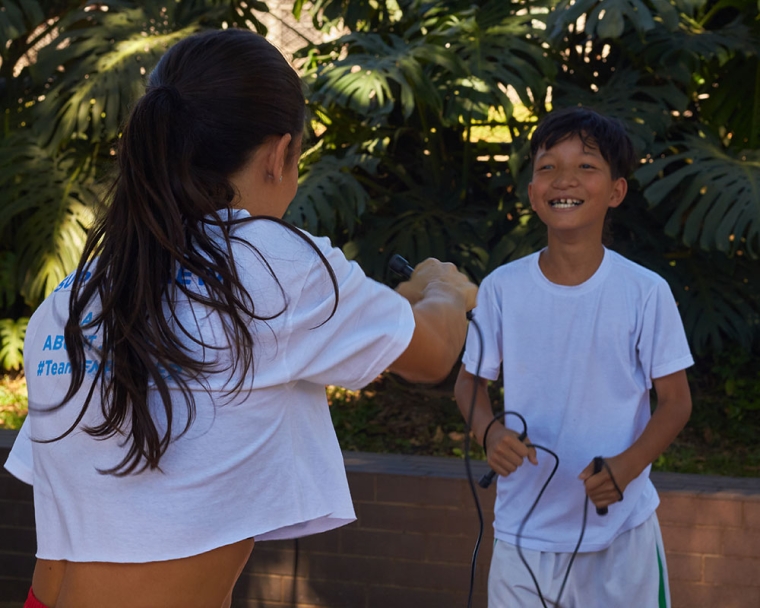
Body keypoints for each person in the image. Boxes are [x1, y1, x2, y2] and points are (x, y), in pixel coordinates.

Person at [3, 29, 477, 608]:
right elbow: (431, 353)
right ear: (280, 155)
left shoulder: (82, 292)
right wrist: (443, 288)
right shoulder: (271, 263)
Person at [454, 107, 693, 607]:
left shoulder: (645, 292)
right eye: (547, 167)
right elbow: (468, 384)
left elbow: (675, 402)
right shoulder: (501, 290)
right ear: (532, 195)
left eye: (586, 165)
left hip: (620, 534)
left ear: (616, 191)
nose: (564, 179)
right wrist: (490, 432)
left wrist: (626, 468)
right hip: (522, 537)